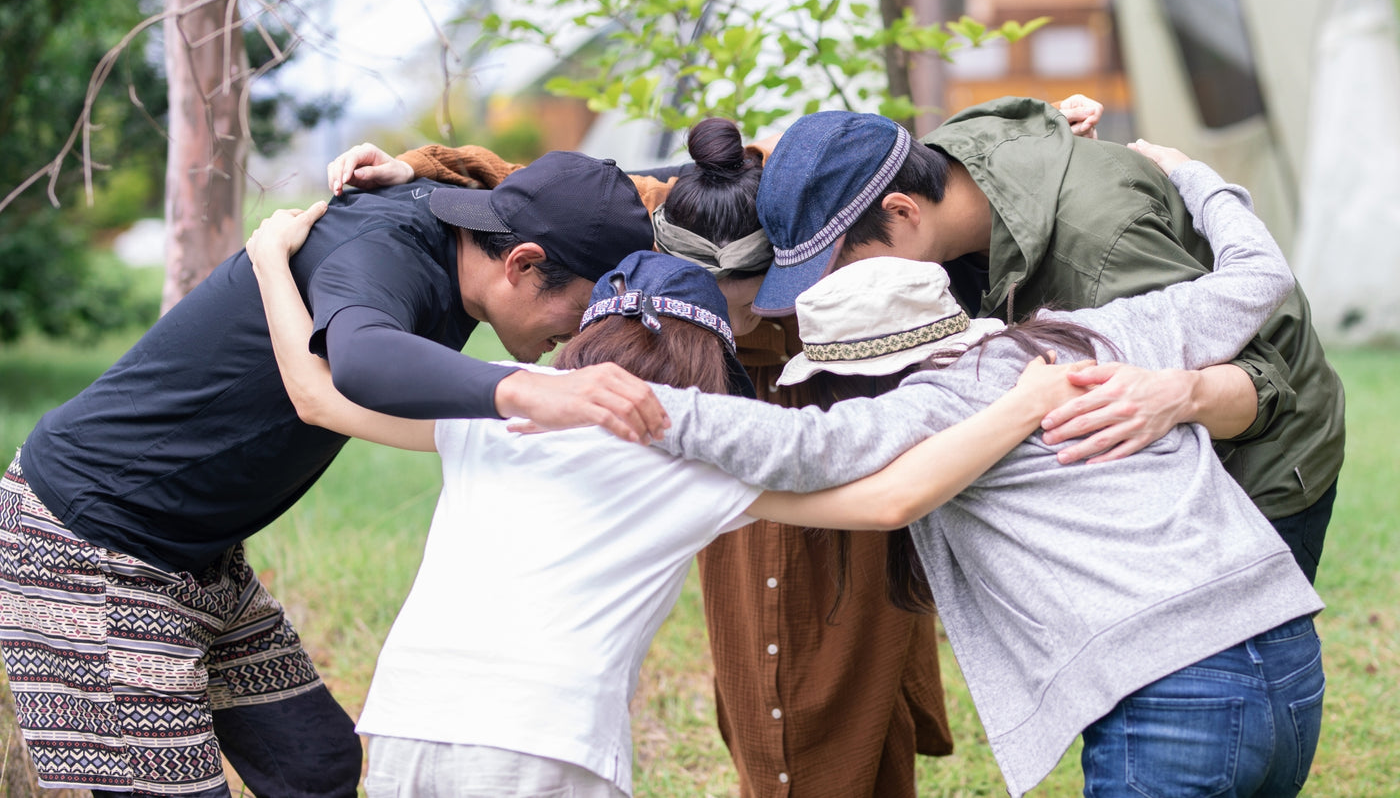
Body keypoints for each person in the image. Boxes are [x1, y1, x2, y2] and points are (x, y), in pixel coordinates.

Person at [321, 99, 1102, 798]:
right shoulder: (664, 229)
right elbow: (555, 193)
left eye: (757, 301)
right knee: (764, 679)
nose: (742, 319)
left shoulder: (797, 211)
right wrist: (422, 171)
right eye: (722, 309)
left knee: (854, 665)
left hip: (834, 413)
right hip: (700, 425)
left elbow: (887, 172)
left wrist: (1035, 144)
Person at [649, 143, 1326, 797]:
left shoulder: (932, 402)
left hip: (1169, 693)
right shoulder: (1090, 331)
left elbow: (803, 445)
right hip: (1289, 658)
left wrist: (639, 410)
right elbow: (1259, 278)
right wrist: (1193, 175)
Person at [0, 152, 664, 796]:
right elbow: (360, 360)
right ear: (523, 262)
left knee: (315, 764)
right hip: (90, 541)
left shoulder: (482, 225)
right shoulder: (383, 249)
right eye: (584, 310)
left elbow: (613, 186)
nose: (580, 338)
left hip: (197, 558)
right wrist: (527, 390)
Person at [745, 99, 1344, 581]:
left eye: (835, 266)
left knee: (1233, 678)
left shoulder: (1099, 246)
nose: (830, 288)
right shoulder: (943, 159)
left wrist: (1179, 394)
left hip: (1259, 459)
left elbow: (1265, 386)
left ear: (902, 211)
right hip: (1136, 462)